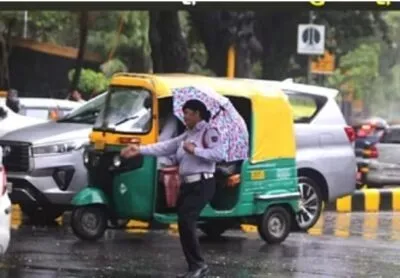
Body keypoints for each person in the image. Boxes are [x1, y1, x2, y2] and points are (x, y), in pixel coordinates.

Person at [121, 99, 224, 278]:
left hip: (203, 183)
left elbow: (219, 154)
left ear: (198, 114)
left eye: (189, 113)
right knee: (183, 223)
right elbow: (166, 146)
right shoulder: (187, 134)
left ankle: (199, 265)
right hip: (187, 184)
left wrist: (196, 151)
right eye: (184, 113)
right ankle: (194, 266)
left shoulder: (209, 132)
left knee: (186, 220)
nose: (185, 117)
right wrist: (139, 150)